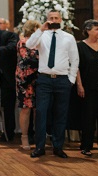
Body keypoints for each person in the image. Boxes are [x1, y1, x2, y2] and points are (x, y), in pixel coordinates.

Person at [26, 10, 79, 159]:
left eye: (56, 18)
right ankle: (40, 147)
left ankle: (58, 147)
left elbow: (74, 59)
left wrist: (71, 80)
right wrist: (40, 29)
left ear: (61, 20)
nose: (53, 20)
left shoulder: (69, 38)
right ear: (47, 20)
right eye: (51, 18)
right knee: (41, 113)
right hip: (44, 80)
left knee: (60, 114)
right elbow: (29, 45)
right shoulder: (41, 35)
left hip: (63, 80)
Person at [75, 20, 98, 157]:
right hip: (89, 87)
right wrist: (79, 85)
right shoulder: (80, 46)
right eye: (97, 29)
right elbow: (76, 67)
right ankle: (86, 146)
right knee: (88, 117)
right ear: (88, 30)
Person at [16, 20, 40, 150]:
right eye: (37, 28)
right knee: (26, 108)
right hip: (25, 79)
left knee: (38, 109)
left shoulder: (39, 42)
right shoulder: (23, 42)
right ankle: (24, 136)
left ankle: (37, 136)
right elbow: (28, 59)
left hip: (38, 78)